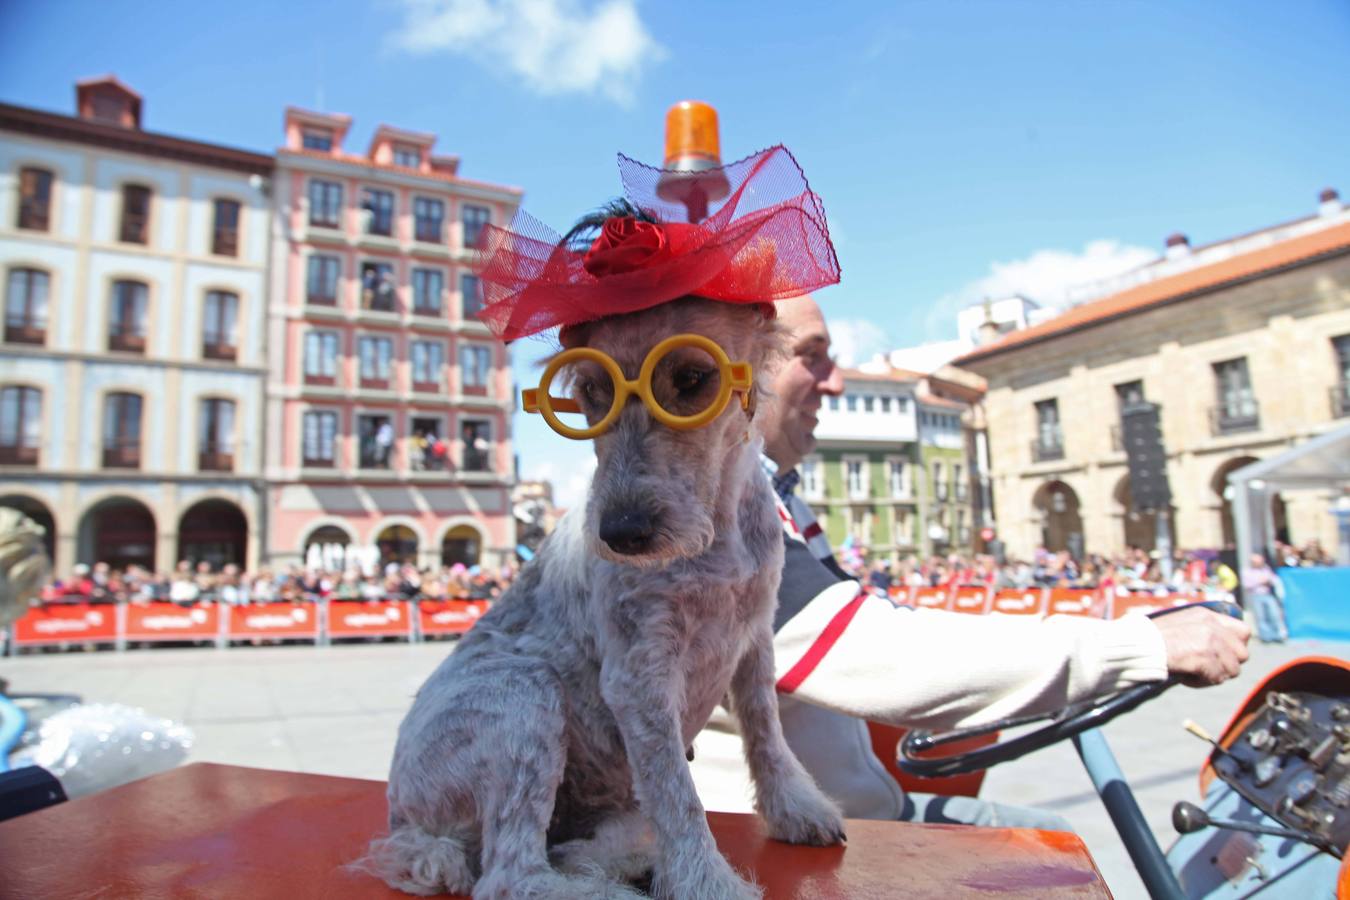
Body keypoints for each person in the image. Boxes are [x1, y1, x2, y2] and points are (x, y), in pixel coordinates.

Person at [690, 294, 1252, 831]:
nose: (834, 382)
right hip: (774, 844)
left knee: (1043, 833)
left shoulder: (769, 497)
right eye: (811, 355)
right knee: (1045, 856)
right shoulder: (710, 512)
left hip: (849, 817)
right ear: (736, 366)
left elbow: (870, 626)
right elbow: (882, 656)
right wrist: (1141, 646)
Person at [1241, 553, 1287, 643]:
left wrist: (1268, 581)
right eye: (1256, 562)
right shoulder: (1247, 571)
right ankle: (1266, 637)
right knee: (1261, 617)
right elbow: (1247, 585)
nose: (1259, 564)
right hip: (1256, 595)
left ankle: (1277, 635)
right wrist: (1261, 582)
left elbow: (1274, 580)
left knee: (1274, 615)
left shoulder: (1266, 570)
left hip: (1268, 594)